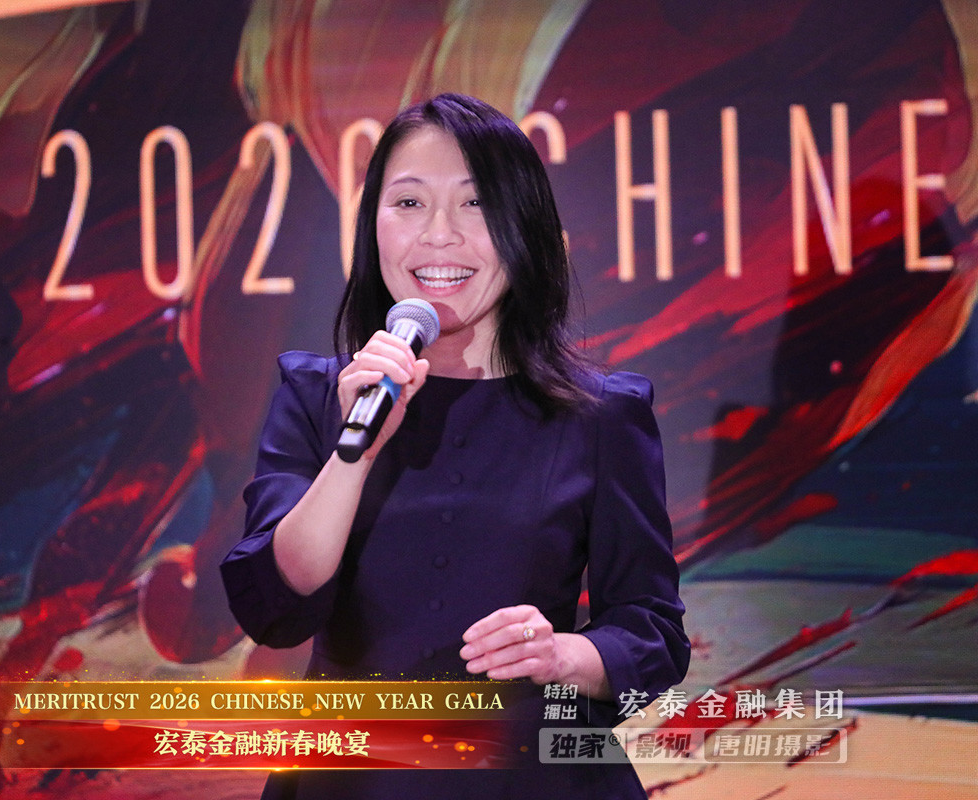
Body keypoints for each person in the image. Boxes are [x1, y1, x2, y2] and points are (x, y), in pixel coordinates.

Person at [220, 93, 689, 799]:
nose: (438, 236)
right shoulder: (318, 396)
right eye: (409, 203)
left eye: (475, 204)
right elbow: (274, 609)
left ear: (523, 227)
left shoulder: (600, 416)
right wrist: (356, 454)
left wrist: (563, 655)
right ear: (373, 226)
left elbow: (651, 631)